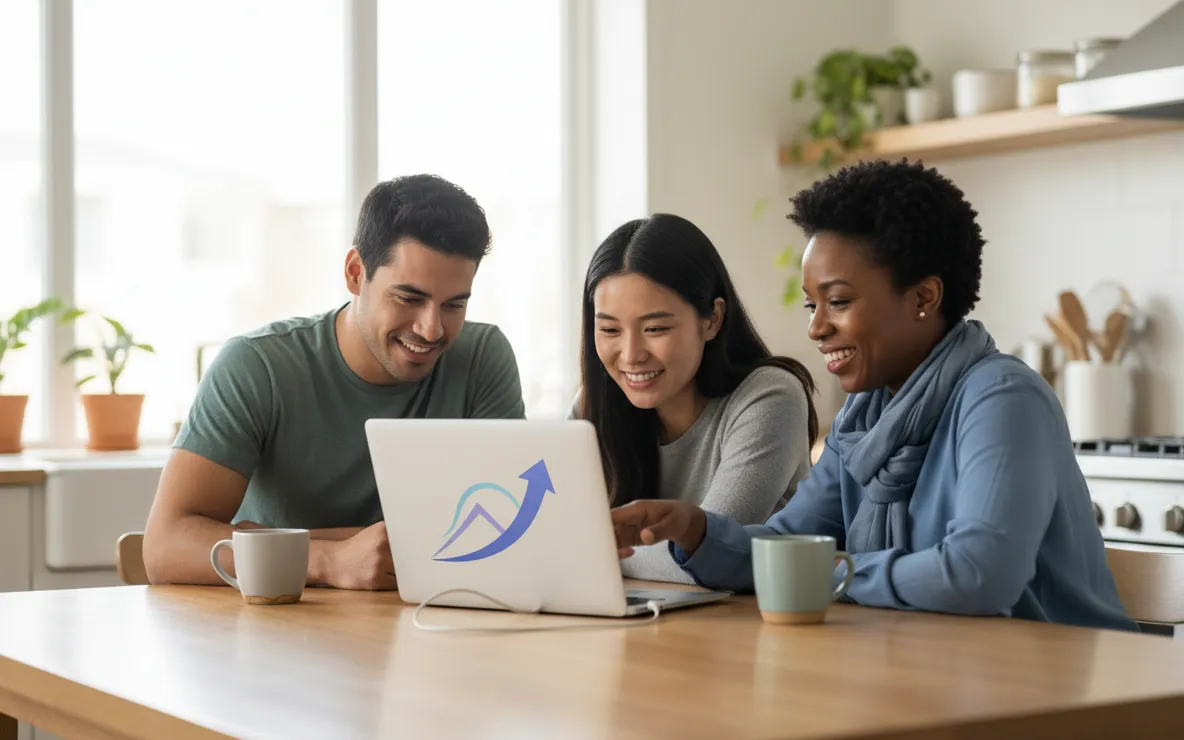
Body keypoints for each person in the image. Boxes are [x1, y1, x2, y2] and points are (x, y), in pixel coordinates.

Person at [610, 161, 1135, 631]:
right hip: (938, 671)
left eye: (838, 302)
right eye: (811, 305)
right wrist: (695, 530)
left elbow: (978, 575)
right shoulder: (863, 420)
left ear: (924, 297)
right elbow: (782, 552)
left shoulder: (1002, 399)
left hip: (1063, 686)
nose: (816, 328)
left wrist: (833, 572)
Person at [143, 174, 526, 591]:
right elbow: (164, 547)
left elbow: (509, 533)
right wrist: (328, 560)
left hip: (426, 618)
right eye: (408, 299)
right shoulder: (257, 366)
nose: (431, 329)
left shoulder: (482, 357)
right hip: (283, 622)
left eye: (453, 305)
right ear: (356, 273)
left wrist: (285, 539)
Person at [574, 213, 818, 582]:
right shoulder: (593, 404)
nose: (631, 355)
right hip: (645, 611)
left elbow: (711, 552)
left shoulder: (770, 396)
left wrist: (591, 551)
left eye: (655, 328)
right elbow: (556, 540)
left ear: (712, 319)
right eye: (609, 329)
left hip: (754, 614)